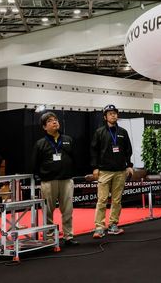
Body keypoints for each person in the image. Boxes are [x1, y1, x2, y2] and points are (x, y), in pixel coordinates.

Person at [31, 111, 79, 246]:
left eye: (56, 119)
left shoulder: (68, 140)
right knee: (48, 211)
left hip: (66, 180)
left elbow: (75, 159)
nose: (54, 122)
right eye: (50, 121)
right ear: (44, 127)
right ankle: (50, 238)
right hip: (48, 181)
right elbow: (34, 164)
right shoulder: (40, 144)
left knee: (68, 210)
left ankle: (68, 236)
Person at [90, 104, 133, 238]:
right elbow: (93, 150)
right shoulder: (99, 132)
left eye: (114, 113)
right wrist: (95, 167)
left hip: (120, 171)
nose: (113, 115)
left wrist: (129, 165)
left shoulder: (123, 132)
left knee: (116, 200)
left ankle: (113, 224)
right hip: (104, 171)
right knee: (102, 200)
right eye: (110, 113)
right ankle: (99, 227)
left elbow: (128, 150)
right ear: (105, 117)